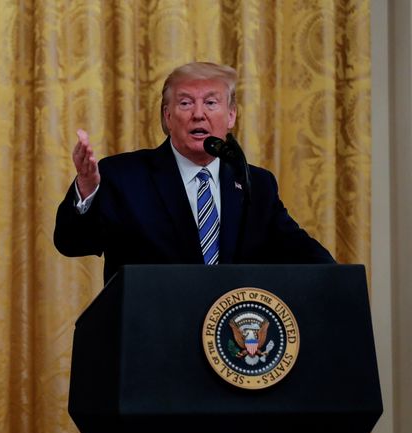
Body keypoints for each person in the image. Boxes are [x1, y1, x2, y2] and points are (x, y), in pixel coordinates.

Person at [54, 62, 334, 283]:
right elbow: (71, 242)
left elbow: (298, 249)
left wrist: (341, 279)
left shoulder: (256, 184)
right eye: (186, 103)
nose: (198, 114)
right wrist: (87, 189)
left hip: (228, 344)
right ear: (167, 116)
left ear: (231, 116)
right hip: (151, 342)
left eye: (211, 103)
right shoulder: (124, 176)